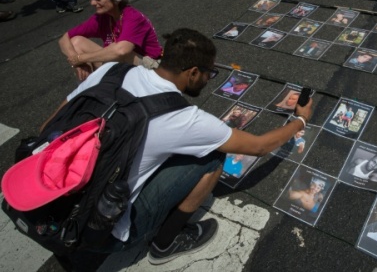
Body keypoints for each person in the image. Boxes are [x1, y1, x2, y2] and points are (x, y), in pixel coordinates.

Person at [45, 28, 314, 267]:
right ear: (193, 72)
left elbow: (52, 123)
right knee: (212, 156)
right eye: (209, 73)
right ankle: (165, 244)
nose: (209, 79)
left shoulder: (112, 70)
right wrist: (300, 119)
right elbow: (259, 146)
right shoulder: (183, 117)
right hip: (100, 230)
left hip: (48, 197)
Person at [59, 0, 162, 81]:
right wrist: (77, 62)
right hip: (122, 65)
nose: (92, 3)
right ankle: (90, 87)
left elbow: (122, 51)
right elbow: (64, 38)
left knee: (117, 49)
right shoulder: (101, 18)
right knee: (76, 42)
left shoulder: (132, 17)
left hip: (150, 69)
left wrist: (81, 58)